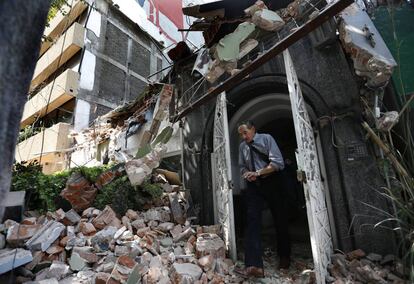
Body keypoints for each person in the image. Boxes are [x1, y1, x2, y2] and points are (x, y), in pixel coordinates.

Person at [235, 120, 291, 278]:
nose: (243, 137)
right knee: (252, 221)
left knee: (279, 217)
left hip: (272, 181)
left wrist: (258, 173)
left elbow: (278, 163)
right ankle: (254, 266)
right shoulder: (242, 147)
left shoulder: (266, 139)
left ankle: (285, 257)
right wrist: (246, 173)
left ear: (253, 129)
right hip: (253, 185)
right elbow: (241, 166)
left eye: (245, 132)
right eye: (241, 134)